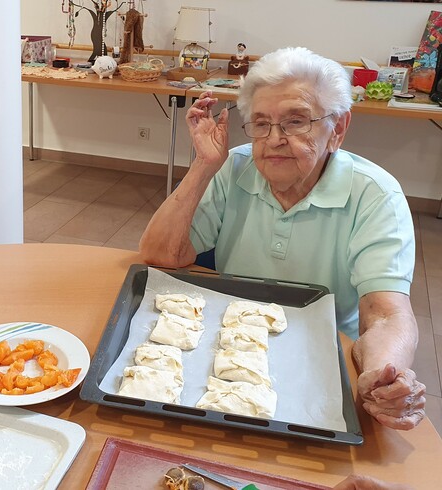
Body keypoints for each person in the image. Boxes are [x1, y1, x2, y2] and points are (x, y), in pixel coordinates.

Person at [139, 47, 426, 430]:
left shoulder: (375, 196)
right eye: (260, 123)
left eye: (295, 122)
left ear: (337, 129)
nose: (274, 139)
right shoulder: (233, 167)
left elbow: (386, 312)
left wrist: (382, 374)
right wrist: (204, 167)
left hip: (322, 354)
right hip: (227, 340)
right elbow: (160, 256)